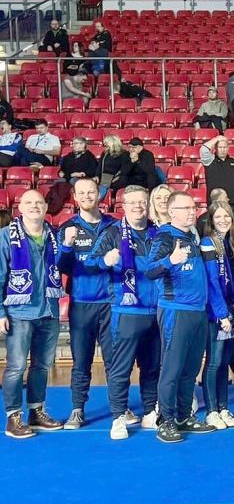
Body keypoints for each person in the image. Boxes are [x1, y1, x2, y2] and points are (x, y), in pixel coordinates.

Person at [146, 191, 220, 443]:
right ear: (171, 211)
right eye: (185, 208)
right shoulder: (166, 236)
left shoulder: (192, 236)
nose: (191, 212)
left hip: (197, 312)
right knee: (172, 368)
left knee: (190, 369)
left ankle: (183, 416)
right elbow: (149, 270)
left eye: (193, 207)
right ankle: (165, 421)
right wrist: (171, 259)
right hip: (175, 310)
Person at [90, 186, 162, 438]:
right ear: (123, 206)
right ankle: (118, 416)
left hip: (156, 311)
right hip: (127, 310)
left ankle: (151, 411)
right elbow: (89, 262)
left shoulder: (158, 232)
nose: (138, 207)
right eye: (132, 203)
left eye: (142, 202)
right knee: (121, 368)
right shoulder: (112, 233)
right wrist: (104, 261)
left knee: (153, 366)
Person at [0, 190, 65, 438]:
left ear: (46, 207)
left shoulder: (54, 236)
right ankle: (13, 417)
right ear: (19, 207)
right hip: (19, 312)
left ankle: (36, 412)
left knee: (42, 366)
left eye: (39, 202)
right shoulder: (6, 237)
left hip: (48, 310)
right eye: (29, 202)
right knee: (16, 367)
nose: (35, 206)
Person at [57, 178, 116, 430]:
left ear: (99, 194)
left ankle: (119, 410)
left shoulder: (114, 226)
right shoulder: (68, 227)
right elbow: (61, 266)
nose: (87, 196)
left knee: (115, 361)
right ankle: (77, 409)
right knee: (82, 361)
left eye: (91, 191)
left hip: (112, 303)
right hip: (81, 304)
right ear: (75, 197)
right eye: (82, 192)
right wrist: (67, 246)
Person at [200, 201, 234, 431]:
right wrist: (222, 314)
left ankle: (224, 407)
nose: (224, 220)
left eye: (227, 216)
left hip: (232, 311)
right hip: (216, 314)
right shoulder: (208, 243)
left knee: (224, 361)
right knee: (214, 361)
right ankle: (211, 410)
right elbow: (212, 282)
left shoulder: (231, 242)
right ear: (211, 221)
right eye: (218, 217)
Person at [201, 134, 234, 223]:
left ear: (228, 148)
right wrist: (217, 138)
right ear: (215, 148)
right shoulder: (210, 160)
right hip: (215, 204)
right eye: (220, 147)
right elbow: (204, 149)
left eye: (225, 147)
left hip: (233, 203)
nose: (222, 150)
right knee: (215, 231)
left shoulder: (233, 161)